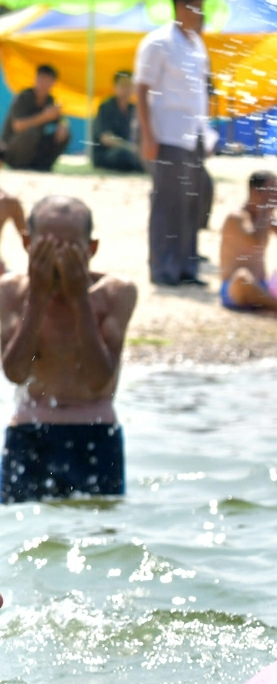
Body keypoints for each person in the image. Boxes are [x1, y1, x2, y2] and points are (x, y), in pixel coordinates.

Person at [0, 196, 137, 503]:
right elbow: (16, 372)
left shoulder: (115, 293)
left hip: (96, 432)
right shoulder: (11, 292)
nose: (59, 259)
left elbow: (98, 378)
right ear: (27, 244)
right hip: (29, 432)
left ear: (91, 249)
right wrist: (37, 298)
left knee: (100, 528)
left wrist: (80, 301)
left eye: (70, 249)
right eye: (48, 248)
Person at [134, 0, 212, 288]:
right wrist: (147, 135)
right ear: (180, 7)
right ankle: (163, 268)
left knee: (191, 201)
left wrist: (206, 133)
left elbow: (200, 94)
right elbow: (142, 90)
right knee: (167, 202)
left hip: (193, 134)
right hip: (167, 133)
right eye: (196, 7)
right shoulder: (158, 43)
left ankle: (186, 267)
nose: (200, 14)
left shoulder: (196, 44)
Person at [216, 171, 277, 314]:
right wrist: (265, 209)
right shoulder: (236, 217)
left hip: (261, 285)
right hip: (234, 288)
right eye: (271, 191)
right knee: (242, 277)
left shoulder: (265, 218)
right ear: (256, 192)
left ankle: (271, 303)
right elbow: (256, 241)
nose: (275, 195)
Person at [3, 65, 72, 173]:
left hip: (34, 147)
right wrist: (44, 117)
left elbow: (61, 119)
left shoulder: (50, 100)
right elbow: (18, 126)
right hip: (13, 148)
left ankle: (43, 166)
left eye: (47, 80)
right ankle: (20, 167)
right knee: (32, 133)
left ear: (53, 83)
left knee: (64, 135)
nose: (43, 84)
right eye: (41, 79)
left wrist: (63, 125)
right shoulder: (24, 97)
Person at [89, 72, 143, 174]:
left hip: (130, 152)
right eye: (123, 84)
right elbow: (105, 138)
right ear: (115, 87)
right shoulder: (106, 107)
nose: (126, 88)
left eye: (129, 85)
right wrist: (129, 147)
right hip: (107, 153)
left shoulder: (134, 109)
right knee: (123, 155)